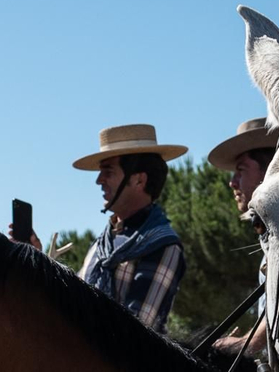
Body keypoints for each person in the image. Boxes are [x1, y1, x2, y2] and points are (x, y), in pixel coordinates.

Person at [37, 124, 188, 332]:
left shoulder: (162, 245)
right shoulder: (103, 243)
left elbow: (137, 333)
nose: (99, 180)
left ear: (139, 180)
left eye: (108, 172)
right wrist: (36, 265)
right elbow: (72, 301)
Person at [206, 118, 278, 357]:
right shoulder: (273, 231)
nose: (232, 182)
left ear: (269, 170)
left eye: (241, 170)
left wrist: (240, 345)